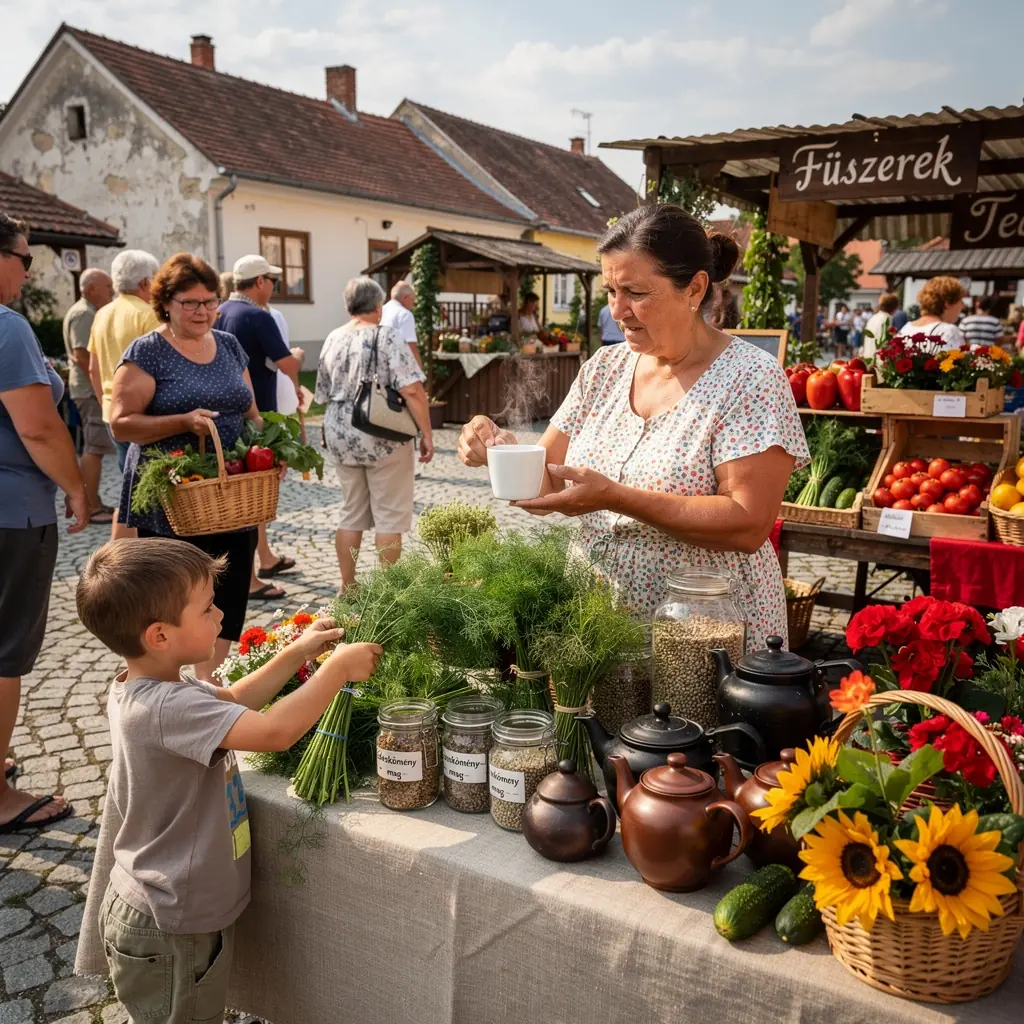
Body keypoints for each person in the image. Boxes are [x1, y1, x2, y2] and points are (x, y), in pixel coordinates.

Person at [458, 204, 809, 642]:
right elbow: (547, 479)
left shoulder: (749, 378)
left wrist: (616, 498)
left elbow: (748, 523)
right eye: (611, 290)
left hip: (707, 631)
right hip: (600, 628)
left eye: (637, 293)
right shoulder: (604, 368)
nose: (618, 310)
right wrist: (498, 447)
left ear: (694, 288)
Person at [76, 537, 381, 1024]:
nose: (221, 615)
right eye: (206, 608)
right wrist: (338, 670)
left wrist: (299, 651)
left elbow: (236, 698)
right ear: (160, 635)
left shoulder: (161, 684)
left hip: (168, 906)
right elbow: (276, 733)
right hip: (171, 920)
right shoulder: (166, 707)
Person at [109, 252, 269, 681]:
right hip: (172, 501)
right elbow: (121, 424)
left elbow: (250, 410)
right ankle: (170, 691)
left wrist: (269, 449)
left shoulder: (230, 345)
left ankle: (210, 683)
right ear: (166, 304)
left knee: (228, 593)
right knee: (176, 600)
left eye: (209, 301)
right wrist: (182, 421)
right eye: (190, 302)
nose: (202, 311)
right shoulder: (148, 352)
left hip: (229, 495)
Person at [0, 211, 86, 829]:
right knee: (4, 653)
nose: (28, 270)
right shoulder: (6, 328)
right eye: (25, 258)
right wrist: (78, 489)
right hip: (12, 513)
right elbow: (36, 425)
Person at [316, 276, 434, 591]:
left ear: (348, 306)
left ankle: (348, 586)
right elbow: (412, 390)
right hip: (382, 432)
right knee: (390, 516)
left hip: (340, 431)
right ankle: (388, 590)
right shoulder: (388, 337)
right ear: (378, 307)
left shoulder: (332, 337)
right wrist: (427, 433)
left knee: (351, 512)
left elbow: (323, 392)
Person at [215, 255, 302, 601]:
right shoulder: (257, 315)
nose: (274, 288)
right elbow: (287, 363)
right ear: (260, 282)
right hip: (256, 415)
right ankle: (248, 576)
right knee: (253, 499)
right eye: (273, 281)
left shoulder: (221, 310)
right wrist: (299, 357)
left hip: (225, 416)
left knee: (250, 498)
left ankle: (263, 557)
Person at [88, 248, 161, 540]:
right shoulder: (148, 315)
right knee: (147, 494)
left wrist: (105, 402)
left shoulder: (103, 313)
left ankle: (122, 556)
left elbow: (93, 368)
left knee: (131, 487)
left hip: (112, 413)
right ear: (145, 283)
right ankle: (133, 559)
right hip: (145, 418)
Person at [63, 267, 115, 524]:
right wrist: (98, 387)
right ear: (91, 288)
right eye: (107, 286)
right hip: (88, 389)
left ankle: (94, 501)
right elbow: (81, 354)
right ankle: (91, 506)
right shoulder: (84, 314)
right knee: (94, 447)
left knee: (95, 446)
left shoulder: (88, 311)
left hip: (86, 388)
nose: (111, 290)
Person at [897, 276, 967, 349]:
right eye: (960, 300)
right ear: (948, 303)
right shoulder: (949, 332)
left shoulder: (906, 328)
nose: (963, 306)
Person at [381, 280, 422, 366]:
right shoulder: (405, 314)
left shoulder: (381, 311)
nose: (413, 304)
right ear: (405, 298)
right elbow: (410, 346)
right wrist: (419, 370)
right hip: (397, 367)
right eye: (412, 299)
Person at [862, 292, 900, 360]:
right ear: (894, 307)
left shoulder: (873, 317)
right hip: (878, 359)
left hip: (868, 356)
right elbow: (885, 341)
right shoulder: (887, 318)